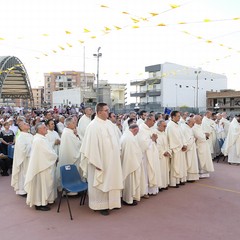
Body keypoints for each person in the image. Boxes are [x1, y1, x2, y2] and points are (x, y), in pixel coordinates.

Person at [80, 103, 123, 216]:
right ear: (99, 112)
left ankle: (112, 203)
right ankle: (100, 205)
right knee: (101, 182)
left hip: (112, 161)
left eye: (108, 110)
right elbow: (91, 147)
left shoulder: (109, 124)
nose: (108, 112)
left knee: (112, 180)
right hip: (100, 162)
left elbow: (116, 140)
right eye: (106, 110)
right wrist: (97, 162)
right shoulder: (93, 126)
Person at [24, 122, 58, 211]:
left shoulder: (41, 138)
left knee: (44, 184)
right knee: (40, 185)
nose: (46, 128)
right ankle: (39, 203)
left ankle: (46, 200)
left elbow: (48, 150)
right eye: (44, 127)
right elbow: (47, 153)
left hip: (44, 165)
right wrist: (55, 156)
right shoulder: (38, 140)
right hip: (41, 167)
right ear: (39, 130)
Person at [137, 113, 161, 197]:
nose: (155, 122)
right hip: (146, 155)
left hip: (152, 153)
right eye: (154, 121)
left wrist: (155, 139)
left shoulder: (151, 128)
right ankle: (145, 191)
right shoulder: (141, 128)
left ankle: (153, 188)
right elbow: (142, 143)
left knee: (153, 170)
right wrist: (152, 139)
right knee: (146, 173)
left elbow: (153, 140)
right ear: (148, 120)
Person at [120, 124, 142, 206]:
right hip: (130, 164)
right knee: (129, 182)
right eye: (137, 132)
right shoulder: (129, 138)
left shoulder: (126, 136)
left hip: (128, 163)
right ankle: (128, 199)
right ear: (135, 130)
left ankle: (128, 198)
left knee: (128, 182)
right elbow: (131, 153)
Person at [57, 117, 81, 189]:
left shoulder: (68, 131)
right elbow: (78, 144)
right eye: (73, 123)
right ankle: (71, 190)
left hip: (69, 155)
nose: (75, 124)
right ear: (68, 124)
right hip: (71, 156)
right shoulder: (68, 133)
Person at [166, 111, 187, 188]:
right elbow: (173, 138)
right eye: (178, 116)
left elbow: (182, 136)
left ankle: (179, 180)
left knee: (180, 165)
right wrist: (181, 145)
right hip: (176, 148)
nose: (179, 118)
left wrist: (185, 144)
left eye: (179, 116)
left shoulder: (178, 125)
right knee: (175, 166)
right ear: (173, 117)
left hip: (180, 148)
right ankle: (174, 182)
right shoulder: (170, 126)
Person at [11, 122, 33, 196]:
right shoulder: (20, 136)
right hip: (24, 159)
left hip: (31, 158)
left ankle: (29, 189)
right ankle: (22, 190)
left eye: (27, 123)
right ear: (21, 127)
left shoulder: (30, 135)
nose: (27, 124)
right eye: (25, 124)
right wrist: (31, 146)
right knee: (23, 173)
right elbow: (21, 150)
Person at [181, 117, 199, 182]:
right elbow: (187, 140)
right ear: (188, 122)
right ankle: (189, 177)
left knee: (192, 162)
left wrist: (193, 138)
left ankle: (192, 177)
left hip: (192, 148)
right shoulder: (184, 128)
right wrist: (193, 138)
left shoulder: (189, 128)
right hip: (188, 149)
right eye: (192, 123)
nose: (193, 125)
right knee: (189, 162)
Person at [155, 120, 171, 189]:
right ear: (159, 126)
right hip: (160, 155)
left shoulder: (164, 133)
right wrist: (163, 152)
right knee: (160, 170)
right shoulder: (155, 133)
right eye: (164, 126)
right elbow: (156, 145)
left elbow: (168, 144)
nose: (165, 127)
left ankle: (165, 184)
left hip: (166, 154)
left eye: (166, 126)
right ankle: (160, 186)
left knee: (166, 170)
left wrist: (168, 151)